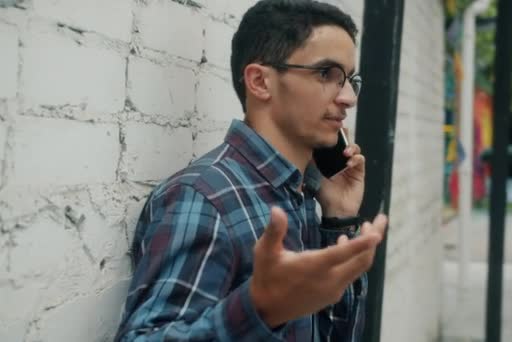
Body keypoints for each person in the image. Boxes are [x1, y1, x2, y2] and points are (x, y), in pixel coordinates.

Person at [114, 1, 388, 341]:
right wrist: (260, 309)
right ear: (260, 81)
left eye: (350, 79)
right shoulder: (205, 199)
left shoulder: (302, 194)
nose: (348, 97)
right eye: (326, 74)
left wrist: (338, 219)